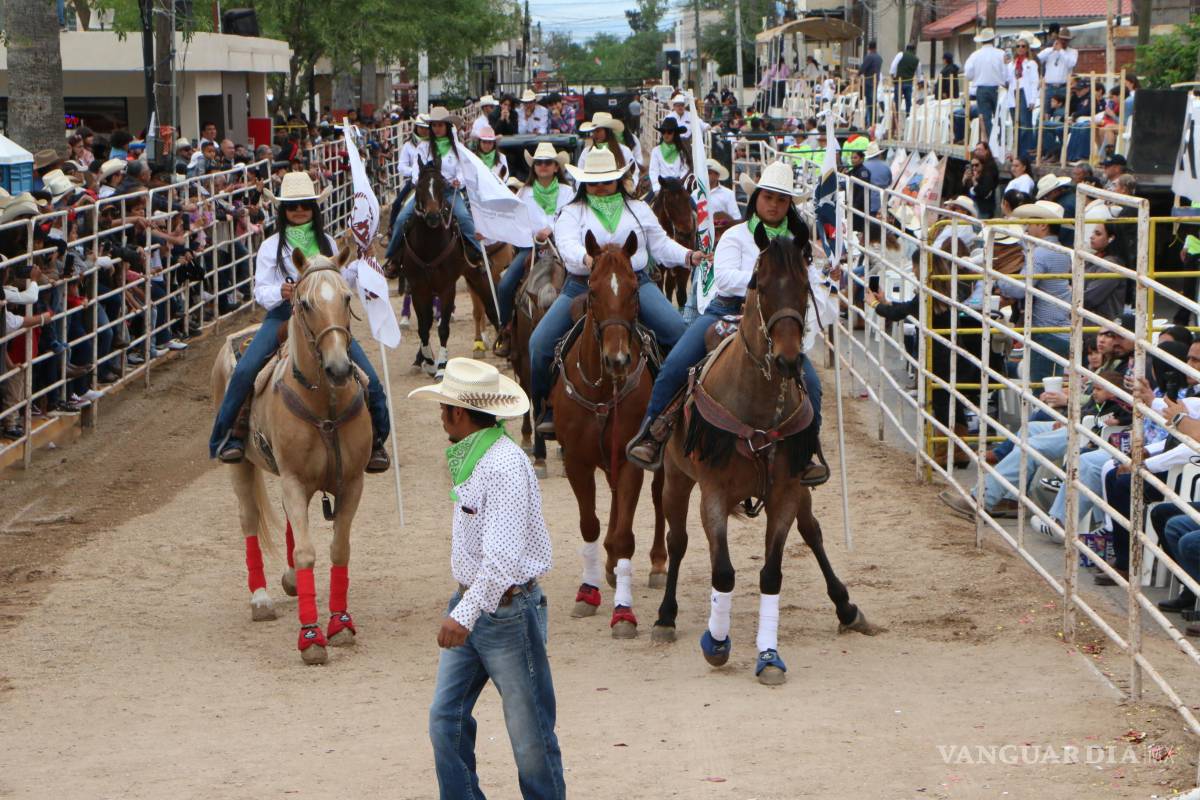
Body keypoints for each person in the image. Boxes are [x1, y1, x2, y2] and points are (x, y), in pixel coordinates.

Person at [408, 358, 564, 800]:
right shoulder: (478, 458)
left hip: (504, 611)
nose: (440, 414)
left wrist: (465, 613)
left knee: (530, 737)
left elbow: (501, 562)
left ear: (459, 414)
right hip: (479, 605)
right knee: (445, 719)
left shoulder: (503, 467)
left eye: (444, 408)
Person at [625, 161, 834, 480]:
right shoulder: (736, 235)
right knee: (678, 362)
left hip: (778, 320)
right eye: (768, 197)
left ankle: (806, 453)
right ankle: (653, 431)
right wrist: (769, 280)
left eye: (781, 199)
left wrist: (816, 284)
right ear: (756, 199)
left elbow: (810, 284)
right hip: (726, 309)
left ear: (789, 204)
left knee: (813, 385)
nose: (774, 205)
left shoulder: (799, 243)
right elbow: (724, 278)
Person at [208, 172, 391, 471]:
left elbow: (341, 280)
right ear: (283, 211)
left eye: (305, 205)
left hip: (325, 320)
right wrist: (280, 291)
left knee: (371, 380)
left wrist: (363, 263)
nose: (299, 211)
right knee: (243, 372)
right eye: (293, 207)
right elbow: (260, 289)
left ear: (313, 208)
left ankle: (377, 441)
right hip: (283, 316)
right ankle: (227, 436)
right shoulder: (270, 246)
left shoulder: (328, 242)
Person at [529, 148, 702, 435]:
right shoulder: (572, 211)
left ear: (618, 181)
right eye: (594, 181)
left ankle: (673, 405)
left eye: (607, 180)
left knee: (678, 333)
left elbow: (659, 243)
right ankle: (545, 408)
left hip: (634, 282)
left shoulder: (638, 209)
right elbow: (568, 243)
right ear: (585, 183)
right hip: (583, 283)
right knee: (538, 344)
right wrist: (586, 259)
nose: (600, 186)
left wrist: (687, 256)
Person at [493, 142, 573, 356]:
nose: (543, 166)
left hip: (563, 249)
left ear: (556, 167)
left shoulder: (568, 192)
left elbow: (573, 218)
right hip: (531, 250)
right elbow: (516, 221)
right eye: (539, 163)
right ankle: (506, 330)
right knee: (506, 284)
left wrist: (552, 230)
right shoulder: (523, 193)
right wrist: (534, 235)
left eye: (548, 163)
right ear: (534, 167)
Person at [386, 107, 483, 262]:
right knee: (401, 219)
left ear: (447, 127)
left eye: (440, 125)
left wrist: (458, 180)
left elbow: (463, 170)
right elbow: (416, 171)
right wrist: (422, 182)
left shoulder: (457, 147)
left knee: (464, 217)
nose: (437, 129)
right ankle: (392, 257)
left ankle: (479, 254)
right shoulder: (423, 147)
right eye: (434, 125)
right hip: (426, 192)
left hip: (450, 191)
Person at [1000, 199, 1072, 384]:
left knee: (1042, 386)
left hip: (1047, 331)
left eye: (1031, 221)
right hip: (1058, 326)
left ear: (1043, 225)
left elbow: (1019, 288)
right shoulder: (1061, 251)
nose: (1026, 227)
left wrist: (999, 279)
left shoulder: (1040, 253)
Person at [577, 112, 639, 189]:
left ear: (608, 131)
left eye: (598, 131)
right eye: (593, 131)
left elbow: (634, 173)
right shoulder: (586, 152)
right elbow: (580, 175)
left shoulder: (624, 151)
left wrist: (629, 189)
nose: (594, 134)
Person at [963, 28, 1006, 139]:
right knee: (999, 116)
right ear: (993, 40)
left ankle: (991, 141)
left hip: (981, 88)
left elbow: (968, 74)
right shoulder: (1001, 54)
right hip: (999, 88)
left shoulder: (975, 55)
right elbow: (1006, 72)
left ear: (981, 41)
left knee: (985, 117)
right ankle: (1001, 139)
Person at [1008, 33, 1041, 159]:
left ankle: (1025, 152)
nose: (1020, 48)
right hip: (1013, 93)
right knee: (1016, 124)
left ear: (1027, 48)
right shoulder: (1011, 64)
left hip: (1024, 93)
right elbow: (1007, 79)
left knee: (1025, 123)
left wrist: (1033, 99)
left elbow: (1034, 82)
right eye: (1018, 46)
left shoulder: (1031, 63)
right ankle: (1017, 151)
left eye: (1023, 46)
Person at [647, 117, 692, 197]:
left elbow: (685, 169)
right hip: (661, 186)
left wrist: (679, 182)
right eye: (663, 132)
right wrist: (657, 188)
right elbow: (653, 171)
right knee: (645, 205)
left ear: (675, 133)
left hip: (678, 186)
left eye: (669, 132)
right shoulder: (656, 151)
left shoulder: (681, 151)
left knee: (693, 206)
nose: (666, 134)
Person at [1038, 27, 1077, 103]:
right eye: (1061, 39)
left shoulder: (1073, 52)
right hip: (1049, 87)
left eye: (1066, 40)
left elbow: (1071, 64)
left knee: (1061, 113)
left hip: (1063, 87)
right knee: (1046, 112)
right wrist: (1052, 49)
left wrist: (1061, 51)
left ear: (1069, 41)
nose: (1063, 41)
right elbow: (1038, 59)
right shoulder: (1049, 51)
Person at [704, 158, 740, 225]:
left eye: (709, 173)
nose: (705, 175)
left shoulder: (728, 194)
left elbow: (736, 218)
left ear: (717, 175)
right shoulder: (695, 193)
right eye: (704, 172)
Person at [891, 44, 920, 113]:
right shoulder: (916, 60)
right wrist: (918, 81)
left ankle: (896, 114)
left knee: (897, 100)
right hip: (909, 82)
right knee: (908, 100)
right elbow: (919, 73)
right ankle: (907, 114)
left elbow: (893, 66)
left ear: (906, 49)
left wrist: (893, 76)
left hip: (899, 81)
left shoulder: (901, 54)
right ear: (914, 50)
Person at [861, 41, 883, 125]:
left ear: (869, 48)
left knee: (869, 103)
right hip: (876, 81)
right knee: (873, 102)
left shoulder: (869, 57)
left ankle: (870, 123)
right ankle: (872, 122)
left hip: (868, 82)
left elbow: (862, 68)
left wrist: (858, 73)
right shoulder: (879, 58)